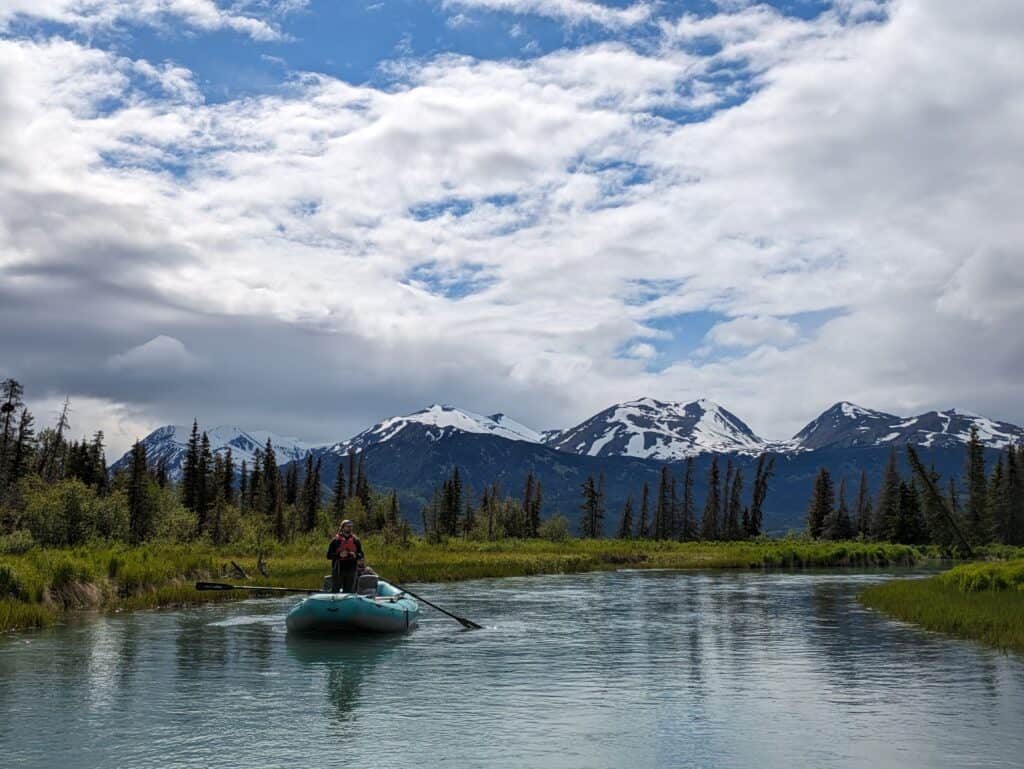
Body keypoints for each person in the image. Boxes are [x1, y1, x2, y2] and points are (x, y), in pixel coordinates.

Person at [326, 519, 364, 593]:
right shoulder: (335, 541)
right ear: (343, 528)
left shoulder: (356, 541)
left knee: (349, 591)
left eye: (351, 526)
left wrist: (355, 555)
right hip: (338, 570)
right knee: (335, 590)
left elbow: (361, 554)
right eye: (347, 526)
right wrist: (339, 555)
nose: (350, 528)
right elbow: (328, 556)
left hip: (351, 569)